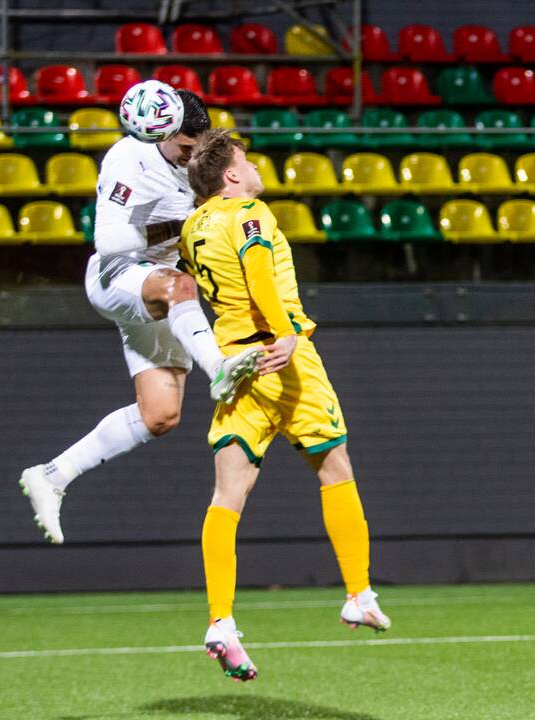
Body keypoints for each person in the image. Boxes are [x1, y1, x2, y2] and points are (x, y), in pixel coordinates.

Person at [178, 129, 390, 682]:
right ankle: (358, 593)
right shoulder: (249, 211)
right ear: (230, 176)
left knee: (227, 494)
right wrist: (284, 332)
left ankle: (220, 621)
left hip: (233, 364)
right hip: (282, 358)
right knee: (334, 465)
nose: (253, 169)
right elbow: (255, 267)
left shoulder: (193, 225)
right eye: (246, 162)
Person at [19, 87, 261, 544]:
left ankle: (52, 475)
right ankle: (220, 368)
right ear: (161, 135)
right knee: (180, 285)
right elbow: (108, 242)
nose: (191, 157)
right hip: (117, 277)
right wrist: (179, 226)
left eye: (198, 147)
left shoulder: (205, 154)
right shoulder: (129, 160)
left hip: (163, 289)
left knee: (161, 416)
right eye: (184, 149)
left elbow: (244, 181)